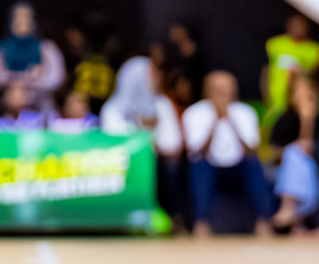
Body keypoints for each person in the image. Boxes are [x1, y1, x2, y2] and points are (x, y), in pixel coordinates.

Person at [182, 71, 273, 236]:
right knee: (199, 164)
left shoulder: (245, 112)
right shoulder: (195, 112)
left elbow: (252, 149)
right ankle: (201, 222)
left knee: (254, 163)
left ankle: (263, 221)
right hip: (209, 166)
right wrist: (215, 121)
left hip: (238, 166)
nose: (223, 94)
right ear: (207, 90)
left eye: (227, 89)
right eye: (218, 89)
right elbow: (195, 151)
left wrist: (230, 120)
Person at [101, 55, 185, 226]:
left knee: (170, 166)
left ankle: (171, 216)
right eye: (151, 74)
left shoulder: (161, 105)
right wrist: (143, 137)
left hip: (155, 169)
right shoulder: (112, 109)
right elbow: (113, 146)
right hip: (124, 171)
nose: (157, 79)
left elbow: (174, 146)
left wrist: (154, 139)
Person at [267, 71, 319, 233]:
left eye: (308, 93)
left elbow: (313, 150)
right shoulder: (283, 119)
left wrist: (307, 120)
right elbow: (273, 154)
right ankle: (294, 216)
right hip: (283, 169)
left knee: (298, 154)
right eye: (299, 91)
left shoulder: (317, 120)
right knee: (293, 153)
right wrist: (290, 151)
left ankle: (289, 211)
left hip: (310, 170)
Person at [0, 2, 65, 112]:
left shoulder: (47, 48)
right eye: (17, 17)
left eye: (26, 16)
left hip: (42, 110)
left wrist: (25, 80)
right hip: (9, 110)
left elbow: (55, 79)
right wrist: (30, 76)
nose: (22, 21)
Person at [263, 13, 319, 122]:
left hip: (299, 99)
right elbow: (266, 71)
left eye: (301, 25)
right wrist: (265, 93)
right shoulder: (275, 44)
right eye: (294, 24)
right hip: (277, 98)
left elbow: (314, 74)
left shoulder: (315, 49)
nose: (297, 28)